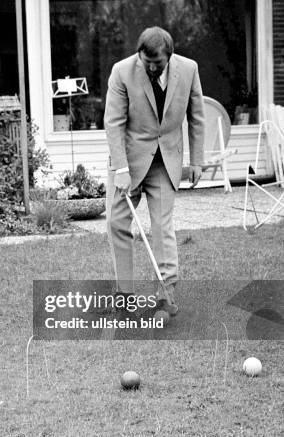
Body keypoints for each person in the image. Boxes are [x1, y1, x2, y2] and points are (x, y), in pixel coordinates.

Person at [104, 26, 205, 310]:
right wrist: (121, 169)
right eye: (145, 61)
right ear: (139, 54)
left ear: (169, 57)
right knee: (116, 223)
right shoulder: (122, 71)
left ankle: (166, 295)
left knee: (162, 226)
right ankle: (124, 295)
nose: (150, 67)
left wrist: (196, 161)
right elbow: (113, 123)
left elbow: (196, 117)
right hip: (129, 160)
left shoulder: (189, 69)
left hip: (165, 161)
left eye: (157, 63)